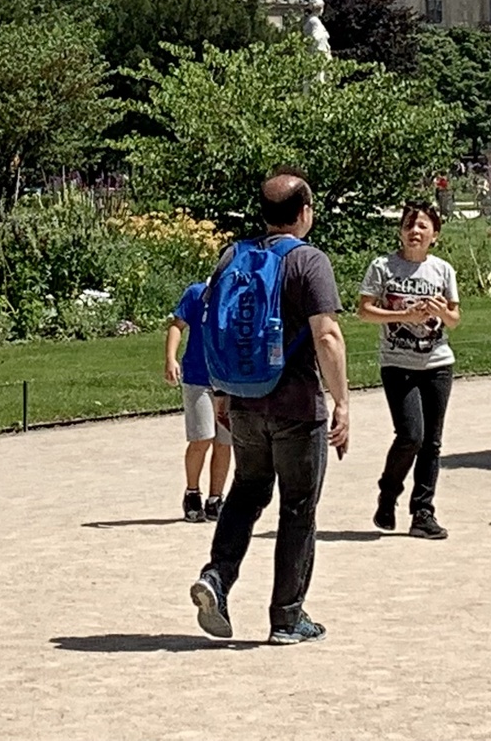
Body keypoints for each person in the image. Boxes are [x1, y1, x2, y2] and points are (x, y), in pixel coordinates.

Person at [190, 174, 350, 646]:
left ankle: (217, 577)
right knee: (298, 506)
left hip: (242, 399)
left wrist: (221, 392)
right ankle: (287, 617)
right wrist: (342, 400)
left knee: (246, 491)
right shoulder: (309, 262)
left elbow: (212, 326)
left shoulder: (232, 257)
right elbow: (327, 336)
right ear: (304, 211)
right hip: (297, 405)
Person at [358, 202, 460, 540]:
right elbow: (366, 311)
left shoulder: (443, 270)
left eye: (423, 227)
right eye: (409, 226)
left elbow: (455, 319)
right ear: (401, 231)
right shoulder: (383, 266)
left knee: (431, 442)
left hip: (438, 363)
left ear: (435, 235)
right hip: (398, 364)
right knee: (410, 435)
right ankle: (389, 493)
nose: (415, 232)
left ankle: (423, 512)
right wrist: (404, 316)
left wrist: (441, 312)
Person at [164, 280, 230, 523]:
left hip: (228, 379)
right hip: (199, 377)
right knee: (202, 438)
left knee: (224, 441)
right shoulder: (197, 293)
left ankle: (216, 498)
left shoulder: (241, 294)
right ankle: (192, 493)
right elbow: (177, 325)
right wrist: (170, 358)